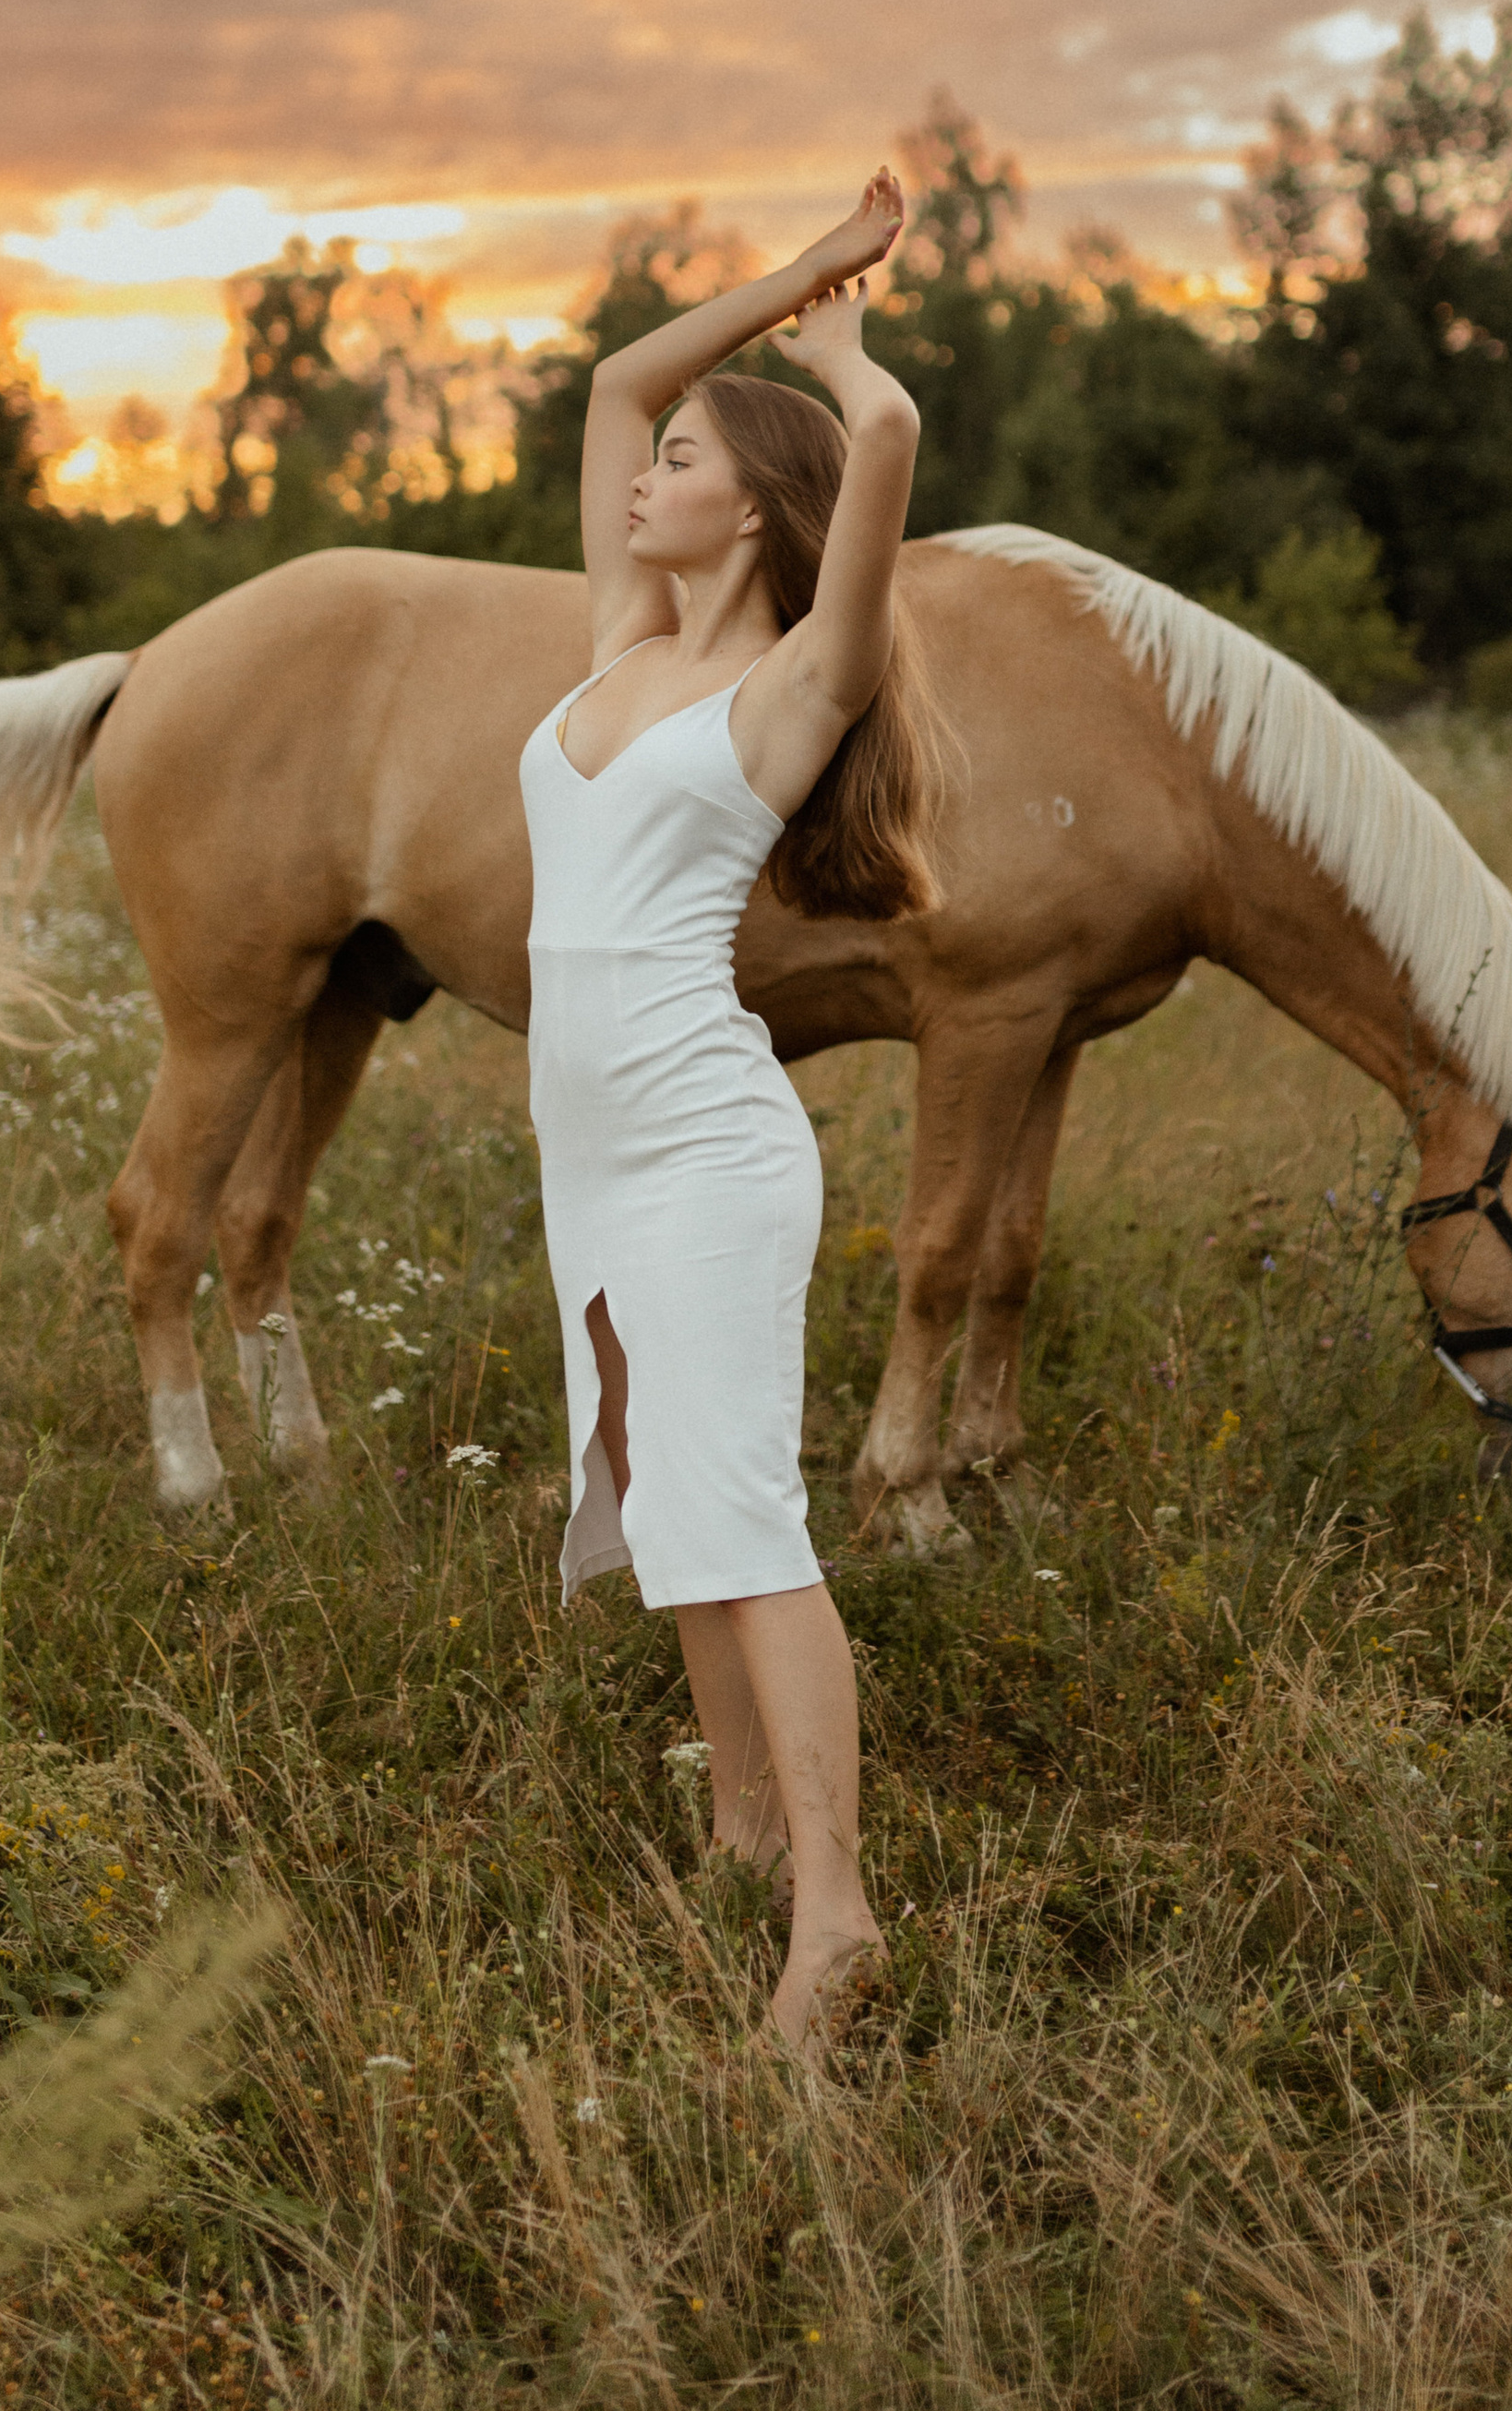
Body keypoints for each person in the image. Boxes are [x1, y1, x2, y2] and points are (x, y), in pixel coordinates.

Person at [518, 165, 933, 2050]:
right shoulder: (619, 644)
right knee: (660, 1497)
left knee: (742, 1514)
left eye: (677, 457)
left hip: (702, 1144)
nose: (637, 467)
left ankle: (833, 1918)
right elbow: (613, 370)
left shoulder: (783, 690)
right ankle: (740, 1827)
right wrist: (792, 269)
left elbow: (891, 457)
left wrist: (848, 359)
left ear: (751, 502)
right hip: (592, 1157)